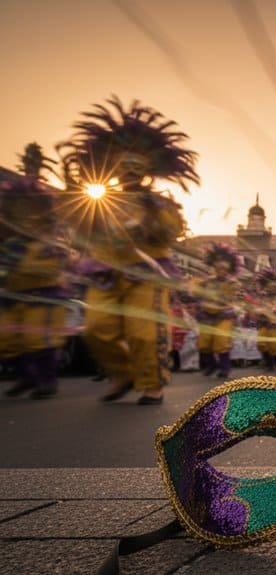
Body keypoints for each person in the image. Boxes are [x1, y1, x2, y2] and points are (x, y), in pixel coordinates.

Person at [61, 97, 197, 405]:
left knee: (143, 333)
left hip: (145, 276)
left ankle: (151, 385)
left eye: (138, 162)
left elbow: (173, 231)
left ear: (148, 168)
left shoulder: (161, 204)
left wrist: (148, 222)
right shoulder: (101, 200)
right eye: (125, 161)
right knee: (96, 329)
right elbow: (81, 229)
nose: (131, 167)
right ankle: (122, 374)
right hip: (105, 273)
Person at [0, 177, 68, 399]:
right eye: (19, 212)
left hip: (43, 298)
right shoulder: (9, 245)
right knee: (7, 341)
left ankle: (47, 381)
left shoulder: (51, 245)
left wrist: (20, 264)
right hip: (12, 299)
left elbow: (53, 267)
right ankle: (26, 377)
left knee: (37, 340)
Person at [194, 243, 241, 379]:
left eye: (224, 268)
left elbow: (234, 297)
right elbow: (195, 295)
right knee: (204, 342)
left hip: (223, 315)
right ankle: (211, 364)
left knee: (221, 341)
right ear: (213, 267)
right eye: (218, 268)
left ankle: (224, 369)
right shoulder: (205, 282)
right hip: (206, 315)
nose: (221, 270)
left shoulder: (233, 284)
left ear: (229, 269)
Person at [252, 270, 276, 372]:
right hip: (263, 323)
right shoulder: (261, 297)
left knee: (274, 346)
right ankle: (267, 361)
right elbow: (254, 309)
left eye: (274, 286)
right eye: (270, 286)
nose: (272, 288)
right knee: (261, 344)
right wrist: (258, 311)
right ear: (265, 286)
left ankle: (274, 363)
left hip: (275, 324)